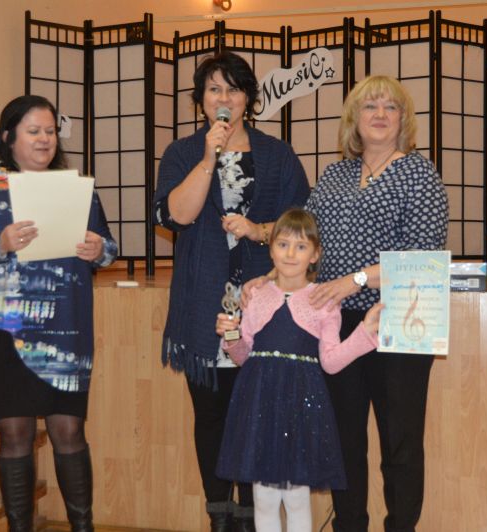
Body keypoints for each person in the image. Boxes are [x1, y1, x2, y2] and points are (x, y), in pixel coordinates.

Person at [153, 51, 310, 531]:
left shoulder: (277, 154)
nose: (224, 98)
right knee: (211, 416)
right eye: (214, 89)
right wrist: (209, 158)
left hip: (264, 303)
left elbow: (302, 224)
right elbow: (175, 216)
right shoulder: (182, 153)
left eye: (234, 89)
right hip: (203, 304)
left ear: (248, 98)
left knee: (256, 417)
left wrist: (259, 231)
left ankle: (251, 516)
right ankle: (220, 516)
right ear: (201, 100)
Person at [0, 95, 117, 532]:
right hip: (3, 328)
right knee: (15, 434)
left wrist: (99, 249)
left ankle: (83, 527)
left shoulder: (74, 188)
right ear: (9, 136)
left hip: (66, 326)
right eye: (34, 131)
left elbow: (108, 248)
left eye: (50, 131)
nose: (45, 140)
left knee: (69, 430)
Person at [306, 76, 449, 532]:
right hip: (338, 322)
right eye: (370, 106)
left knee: (400, 442)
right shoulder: (335, 175)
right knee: (345, 440)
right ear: (354, 118)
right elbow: (305, 240)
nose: (381, 114)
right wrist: (268, 276)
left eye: (391, 106)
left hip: (399, 317)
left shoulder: (420, 174)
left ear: (404, 119)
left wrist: (355, 280)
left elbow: (423, 258)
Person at [214, 208, 383, 532]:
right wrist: (230, 334)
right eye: (283, 244)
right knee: (263, 498)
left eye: (301, 246)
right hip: (259, 403)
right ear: (271, 248)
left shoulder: (324, 300)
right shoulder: (255, 295)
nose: (290, 254)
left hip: (301, 408)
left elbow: (331, 361)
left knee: (296, 498)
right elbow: (243, 356)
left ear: (315, 254)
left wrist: (365, 333)